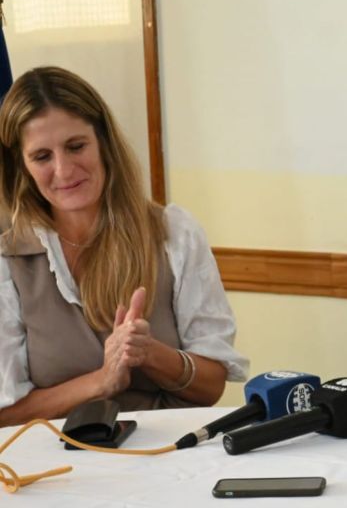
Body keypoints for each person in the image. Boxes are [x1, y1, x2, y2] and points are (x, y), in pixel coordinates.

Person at [0, 66, 249, 427]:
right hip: (56, 469)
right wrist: (101, 381)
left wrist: (150, 354)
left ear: (103, 142)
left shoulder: (173, 233)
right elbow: (6, 414)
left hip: (167, 457)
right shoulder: (8, 260)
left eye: (76, 146)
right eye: (42, 157)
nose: (64, 170)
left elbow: (211, 387)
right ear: (21, 167)